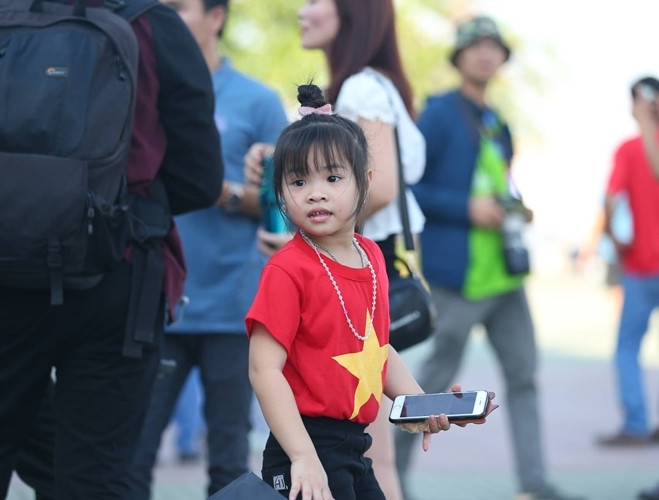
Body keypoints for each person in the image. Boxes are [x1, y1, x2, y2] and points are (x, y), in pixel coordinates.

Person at [0, 0, 224, 497]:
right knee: (95, 472)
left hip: (6, 266)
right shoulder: (150, 22)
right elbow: (201, 179)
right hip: (119, 271)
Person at [246, 83, 496, 500]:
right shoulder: (287, 269)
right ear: (281, 194)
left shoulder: (371, 256)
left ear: (365, 181)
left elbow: (376, 349)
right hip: (303, 450)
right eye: (298, 181)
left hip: (354, 447)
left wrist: (422, 405)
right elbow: (263, 370)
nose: (316, 192)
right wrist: (302, 457)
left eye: (333, 177)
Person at [393, 15, 583, 500]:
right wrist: (467, 208)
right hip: (457, 279)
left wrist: (515, 209)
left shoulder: (499, 122)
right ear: (459, 56)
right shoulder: (438, 114)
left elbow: (498, 183)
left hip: (505, 278)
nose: (484, 53)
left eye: (493, 46)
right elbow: (409, 187)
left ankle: (535, 486)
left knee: (524, 378)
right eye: (474, 45)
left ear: (502, 58)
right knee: (430, 387)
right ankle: (390, 479)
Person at [126, 0, 288, 497]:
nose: (165, 16)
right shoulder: (140, 86)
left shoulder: (258, 101)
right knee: (131, 457)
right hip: (158, 303)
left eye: (179, 7)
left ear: (216, 17)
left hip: (234, 312)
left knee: (229, 466)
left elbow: (287, 203)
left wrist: (224, 192)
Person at [597, 76, 659, 448]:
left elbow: (609, 198)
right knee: (627, 347)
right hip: (638, 267)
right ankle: (636, 423)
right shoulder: (629, 148)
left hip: (640, 267)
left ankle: (636, 423)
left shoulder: (632, 147)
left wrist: (613, 236)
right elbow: (610, 198)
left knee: (627, 348)